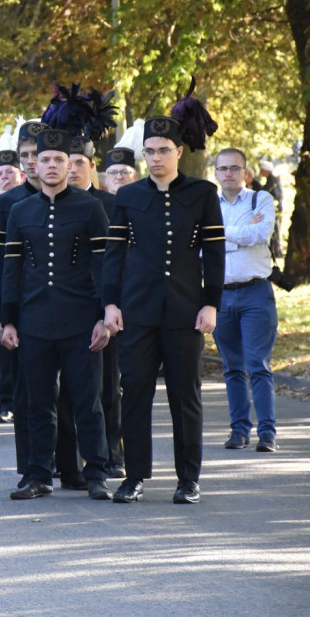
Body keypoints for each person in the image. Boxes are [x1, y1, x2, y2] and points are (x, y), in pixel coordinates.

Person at [103, 93, 225, 505]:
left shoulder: (203, 194)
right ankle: (134, 476)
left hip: (186, 310)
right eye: (149, 151)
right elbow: (114, 255)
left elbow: (215, 253)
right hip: (137, 310)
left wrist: (212, 303)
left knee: (184, 394)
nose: (156, 158)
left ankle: (188, 479)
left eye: (163, 151)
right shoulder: (129, 196)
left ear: (179, 152)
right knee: (134, 391)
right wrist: (111, 304)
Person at [0, 129, 111, 501]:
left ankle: (96, 471)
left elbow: (103, 265)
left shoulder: (89, 207)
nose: (50, 165)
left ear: (70, 165)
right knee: (38, 403)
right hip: (33, 321)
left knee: (87, 401)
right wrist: (8, 319)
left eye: (58, 160)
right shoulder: (20, 211)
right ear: (34, 163)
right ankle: (39, 474)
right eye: (44, 159)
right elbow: (11, 269)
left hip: (81, 320)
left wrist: (103, 317)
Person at [212, 148, 279, 453]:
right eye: (223, 168)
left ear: (245, 172)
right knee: (232, 366)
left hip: (256, 292)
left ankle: (267, 433)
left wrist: (221, 236)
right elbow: (200, 248)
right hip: (220, 295)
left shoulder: (260, 199)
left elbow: (261, 233)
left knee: (258, 364)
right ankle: (239, 431)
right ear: (215, 173)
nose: (229, 173)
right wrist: (241, 233)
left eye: (235, 168)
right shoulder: (208, 206)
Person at [0, 121, 46, 462]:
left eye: (35, 154)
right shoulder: (8, 203)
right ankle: (30, 465)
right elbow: (0, 265)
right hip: (23, 306)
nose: (29, 161)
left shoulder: (77, 199)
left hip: (65, 305)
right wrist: (2, 316)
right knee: (26, 393)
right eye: (24, 155)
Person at [68, 137, 124, 477]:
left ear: (92, 165)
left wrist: (114, 305)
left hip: (104, 301)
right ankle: (72, 460)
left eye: (79, 163)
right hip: (70, 303)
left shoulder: (110, 203)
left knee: (108, 385)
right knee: (71, 390)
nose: (72, 169)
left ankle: (112, 454)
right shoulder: (53, 202)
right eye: (67, 162)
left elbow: (118, 258)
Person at [251, 160, 284, 259]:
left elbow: (269, 194)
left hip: (275, 210)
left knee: (275, 230)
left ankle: (276, 251)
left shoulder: (272, 181)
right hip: (274, 209)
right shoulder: (271, 180)